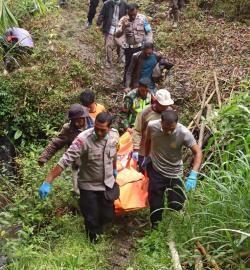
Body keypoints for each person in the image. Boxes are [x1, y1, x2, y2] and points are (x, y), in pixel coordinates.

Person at [38, 112, 120, 242]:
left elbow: (114, 153)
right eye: (96, 128)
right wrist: (48, 181)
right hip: (89, 185)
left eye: (102, 130)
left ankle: (101, 234)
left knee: (107, 216)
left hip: (107, 184)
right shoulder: (82, 140)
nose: (98, 133)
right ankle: (93, 244)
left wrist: (114, 169)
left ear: (109, 128)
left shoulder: (114, 136)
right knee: (91, 218)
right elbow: (65, 160)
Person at [144, 110, 202, 228]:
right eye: (166, 128)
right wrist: (146, 156)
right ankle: (155, 228)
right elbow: (148, 140)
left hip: (175, 173)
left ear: (176, 124)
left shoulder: (184, 133)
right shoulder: (152, 126)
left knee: (176, 205)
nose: (169, 132)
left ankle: (173, 230)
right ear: (161, 122)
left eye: (172, 129)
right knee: (155, 205)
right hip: (156, 170)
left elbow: (198, 152)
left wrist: (194, 174)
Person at [38, 104, 93, 195]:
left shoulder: (94, 126)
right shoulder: (68, 129)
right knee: (78, 191)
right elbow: (56, 144)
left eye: (78, 120)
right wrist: (44, 157)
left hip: (93, 164)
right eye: (73, 120)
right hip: (77, 164)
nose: (76, 123)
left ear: (83, 117)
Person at [132, 89, 174, 171]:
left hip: (161, 151)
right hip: (144, 150)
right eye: (163, 105)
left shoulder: (170, 112)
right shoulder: (145, 112)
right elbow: (137, 130)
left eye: (167, 105)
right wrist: (136, 149)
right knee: (144, 173)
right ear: (155, 101)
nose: (165, 107)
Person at [115, 3, 153, 83]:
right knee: (128, 66)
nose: (132, 17)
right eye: (130, 15)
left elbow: (149, 32)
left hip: (141, 47)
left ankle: (139, 83)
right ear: (127, 11)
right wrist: (123, 27)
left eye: (134, 15)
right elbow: (117, 35)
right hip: (129, 48)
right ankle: (126, 84)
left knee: (141, 66)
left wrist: (148, 44)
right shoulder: (123, 20)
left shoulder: (143, 18)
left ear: (137, 11)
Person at [96, 0, 128, 69]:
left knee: (121, 46)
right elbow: (102, 14)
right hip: (109, 27)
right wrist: (98, 24)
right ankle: (108, 61)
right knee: (108, 45)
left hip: (120, 29)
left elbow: (127, 15)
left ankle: (120, 60)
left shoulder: (124, 4)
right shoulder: (107, 4)